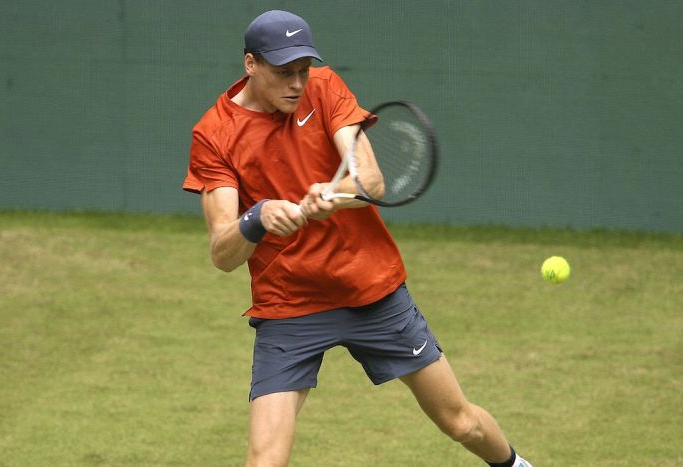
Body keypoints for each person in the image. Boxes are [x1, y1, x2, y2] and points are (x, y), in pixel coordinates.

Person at [183, 10, 532, 467]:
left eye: (302, 70)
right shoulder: (215, 135)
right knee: (265, 459)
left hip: (371, 290)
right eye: (283, 72)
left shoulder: (324, 88)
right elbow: (223, 253)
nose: (296, 82)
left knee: (460, 422)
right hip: (292, 305)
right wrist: (260, 216)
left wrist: (331, 193)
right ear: (251, 65)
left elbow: (370, 180)